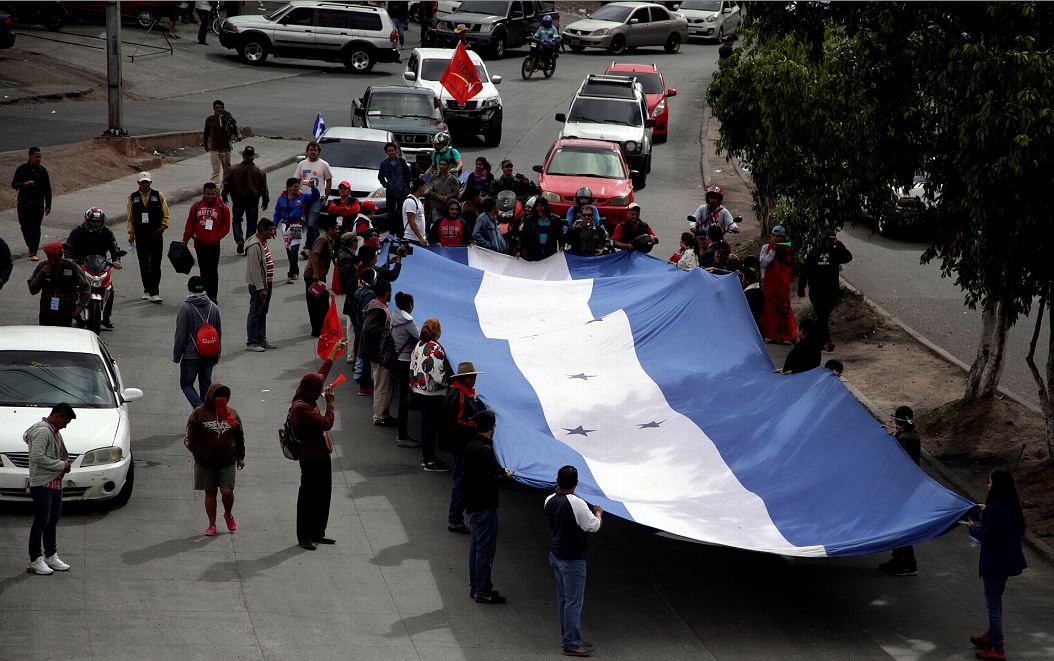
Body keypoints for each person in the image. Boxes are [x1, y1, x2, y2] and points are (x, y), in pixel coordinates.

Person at [965, 469, 1028, 661]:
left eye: (990, 482)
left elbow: (988, 536)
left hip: (994, 562)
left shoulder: (997, 508)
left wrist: (973, 528)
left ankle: (998, 647)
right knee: (996, 600)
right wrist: (987, 510)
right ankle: (991, 636)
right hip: (1006, 562)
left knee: (993, 605)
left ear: (997, 485)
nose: (988, 485)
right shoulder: (1009, 505)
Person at [292, 338, 346, 550]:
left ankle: (318, 532)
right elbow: (326, 423)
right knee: (308, 496)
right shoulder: (303, 409)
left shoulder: (302, 393)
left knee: (324, 494)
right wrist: (330, 404)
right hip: (311, 457)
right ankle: (304, 535)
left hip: (321, 455)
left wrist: (333, 353)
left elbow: (320, 375)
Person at [544, 465, 603, 657]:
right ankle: (571, 641)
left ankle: (569, 636)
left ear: (558, 481)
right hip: (572, 559)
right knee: (573, 602)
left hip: (556, 554)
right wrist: (598, 514)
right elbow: (592, 526)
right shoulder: (577, 504)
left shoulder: (549, 500)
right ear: (576, 484)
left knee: (564, 600)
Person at [463, 409, 513, 604]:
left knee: (476, 548)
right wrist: (505, 477)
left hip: (475, 505)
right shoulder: (484, 450)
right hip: (485, 506)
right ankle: (483, 590)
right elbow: (486, 478)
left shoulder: (473, 446)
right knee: (485, 550)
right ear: (492, 427)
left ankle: (476, 586)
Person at [185, 383, 245, 536]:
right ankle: (212, 524)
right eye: (218, 396)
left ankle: (228, 514)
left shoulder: (232, 413)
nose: (221, 399)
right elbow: (191, 439)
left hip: (227, 461)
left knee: (227, 491)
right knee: (210, 493)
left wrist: (240, 456)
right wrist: (200, 455)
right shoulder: (199, 414)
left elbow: (239, 436)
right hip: (205, 462)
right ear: (211, 397)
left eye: (224, 396)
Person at [24, 403, 75, 576]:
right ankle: (35, 559)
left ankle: (51, 555)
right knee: (41, 522)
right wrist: (61, 465)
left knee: (52, 521)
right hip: (42, 484)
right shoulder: (42, 431)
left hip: (54, 483)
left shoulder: (53, 431)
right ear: (58, 416)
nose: (66, 425)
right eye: (65, 421)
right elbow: (37, 457)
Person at [877, 406, 923, 576]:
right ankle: (899, 559)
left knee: (900, 526)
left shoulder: (906, 439)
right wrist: (894, 433)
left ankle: (908, 563)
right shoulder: (910, 435)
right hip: (906, 487)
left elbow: (897, 458)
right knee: (899, 525)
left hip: (903, 488)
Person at [62, 207, 123, 329]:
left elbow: (114, 247)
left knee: (110, 288)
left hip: (100, 264)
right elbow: (68, 246)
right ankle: (74, 314)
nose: (96, 224)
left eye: (98, 222)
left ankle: (106, 317)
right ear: (87, 221)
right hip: (80, 263)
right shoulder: (78, 231)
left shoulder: (107, 232)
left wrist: (116, 260)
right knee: (71, 287)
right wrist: (69, 259)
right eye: (94, 221)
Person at [444, 362, 484, 535]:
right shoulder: (460, 395)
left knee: (462, 482)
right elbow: (460, 421)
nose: (473, 379)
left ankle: (457, 517)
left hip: (462, 445)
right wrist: (479, 424)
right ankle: (455, 519)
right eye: (470, 376)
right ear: (462, 378)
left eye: (474, 376)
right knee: (461, 483)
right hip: (463, 446)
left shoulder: (461, 392)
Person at [798, 229, 853, 351]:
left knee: (823, 317)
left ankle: (815, 339)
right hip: (816, 291)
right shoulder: (814, 252)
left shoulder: (835, 253)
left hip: (831, 291)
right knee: (822, 316)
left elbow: (848, 257)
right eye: (828, 239)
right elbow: (805, 271)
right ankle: (827, 341)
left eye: (832, 239)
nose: (829, 242)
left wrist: (839, 244)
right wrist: (801, 287)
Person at [409, 317, 452, 472]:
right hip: (433, 394)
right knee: (431, 427)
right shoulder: (435, 349)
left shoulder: (418, 345)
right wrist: (449, 384)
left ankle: (427, 457)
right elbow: (439, 376)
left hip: (419, 390)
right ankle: (429, 460)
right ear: (437, 331)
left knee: (425, 425)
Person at [173, 276, 222, 408]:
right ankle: (206, 416)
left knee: (187, 384)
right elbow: (218, 333)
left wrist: (177, 355)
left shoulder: (186, 308)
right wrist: (217, 353)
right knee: (205, 385)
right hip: (210, 354)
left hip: (191, 355)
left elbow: (180, 334)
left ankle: (199, 409)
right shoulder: (213, 307)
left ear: (189, 288)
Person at [182, 182, 231, 302]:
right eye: (208, 194)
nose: (210, 196)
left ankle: (213, 295)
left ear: (216, 193)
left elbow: (226, 226)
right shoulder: (196, 206)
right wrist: (185, 240)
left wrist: (217, 237)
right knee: (203, 270)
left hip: (214, 245)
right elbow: (190, 224)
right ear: (204, 193)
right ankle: (203, 294)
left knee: (213, 271)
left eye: (213, 194)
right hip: (199, 244)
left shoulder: (223, 208)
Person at [127, 171, 170, 303]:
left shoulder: (159, 195)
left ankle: (155, 292)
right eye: (142, 182)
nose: (145, 184)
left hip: (156, 234)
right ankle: (147, 290)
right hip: (141, 235)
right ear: (138, 183)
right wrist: (131, 233)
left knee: (155, 264)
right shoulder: (132, 197)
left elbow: (166, 213)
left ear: (150, 183)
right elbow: (130, 217)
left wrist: (163, 226)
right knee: (144, 264)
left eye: (147, 182)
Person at [360, 279, 397, 426]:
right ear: (387, 292)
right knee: (382, 385)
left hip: (376, 353)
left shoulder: (375, 306)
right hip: (378, 354)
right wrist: (386, 333)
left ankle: (383, 414)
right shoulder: (378, 310)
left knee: (383, 384)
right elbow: (368, 329)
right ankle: (380, 416)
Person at [27, 242, 89, 327]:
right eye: (49, 257)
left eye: (55, 258)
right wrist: (42, 273)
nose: (52, 261)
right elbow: (32, 289)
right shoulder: (42, 266)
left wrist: (79, 307)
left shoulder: (72, 267)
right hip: (46, 311)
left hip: (66, 311)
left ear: (60, 255)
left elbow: (85, 288)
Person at [221, 145, 269, 255]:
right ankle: (248, 244)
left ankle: (239, 240)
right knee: (252, 223)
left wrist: (224, 195)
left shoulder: (233, 169)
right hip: (253, 200)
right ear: (253, 158)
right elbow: (263, 188)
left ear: (243, 156)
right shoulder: (259, 172)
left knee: (236, 221)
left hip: (238, 199)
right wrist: (265, 200)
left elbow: (227, 184)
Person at [274, 177, 320, 283]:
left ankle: (291, 273)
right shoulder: (281, 198)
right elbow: (277, 213)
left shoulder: (302, 197)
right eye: (294, 187)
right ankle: (295, 269)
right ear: (288, 187)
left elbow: (315, 197)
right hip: (285, 227)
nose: (297, 188)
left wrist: (313, 187)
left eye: (298, 186)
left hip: (296, 226)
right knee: (289, 251)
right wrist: (274, 226)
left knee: (294, 250)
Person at [389, 292, 420, 447]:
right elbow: (420, 337)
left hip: (396, 360)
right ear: (409, 306)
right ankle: (402, 436)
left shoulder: (394, 316)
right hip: (405, 362)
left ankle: (402, 434)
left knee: (402, 398)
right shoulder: (408, 321)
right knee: (404, 400)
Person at [10, 146, 52, 261]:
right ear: (30, 156)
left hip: (37, 204)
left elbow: (48, 189)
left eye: (40, 157)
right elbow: (14, 184)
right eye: (36, 156)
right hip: (24, 203)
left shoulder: (43, 171)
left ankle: (33, 251)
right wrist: (24, 184)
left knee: (36, 227)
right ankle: (30, 245)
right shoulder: (21, 169)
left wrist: (48, 205)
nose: (38, 159)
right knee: (24, 226)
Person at [293, 141, 334, 255]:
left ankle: (308, 247)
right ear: (307, 151)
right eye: (311, 150)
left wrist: (326, 195)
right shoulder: (302, 164)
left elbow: (329, 180)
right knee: (306, 222)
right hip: (303, 197)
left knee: (311, 223)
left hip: (318, 198)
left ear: (319, 152)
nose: (313, 152)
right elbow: (296, 179)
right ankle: (319, 240)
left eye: (315, 150)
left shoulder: (323, 164)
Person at [244, 219, 277, 352]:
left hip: (267, 284)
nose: (272, 232)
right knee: (255, 313)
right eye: (270, 230)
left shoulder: (263, 242)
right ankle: (252, 341)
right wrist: (261, 289)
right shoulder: (255, 246)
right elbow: (255, 269)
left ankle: (261, 338)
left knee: (263, 312)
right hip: (259, 286)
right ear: (263, 231)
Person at [304, 217, 340, 337]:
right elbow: (315, 255)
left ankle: (323, 327)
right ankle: (317, 329)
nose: (337, 231)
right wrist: (316, 273)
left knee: (323, 301)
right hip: (314, 277)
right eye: (336, 228)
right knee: (315, 304)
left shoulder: (330, 240)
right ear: (330, 229)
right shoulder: (323, 240)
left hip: (319, 277)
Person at [759, 234, 798, 343]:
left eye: (779, 237)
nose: (776, 239)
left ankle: (785, 336)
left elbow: (789, 267)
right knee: (770, 309)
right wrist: (772, 252)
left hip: (782, 285)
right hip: (770, 284)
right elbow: (763, 263)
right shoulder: (766, 247)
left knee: (783, 309)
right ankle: (773, 335)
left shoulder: (787, 250)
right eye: (774, 236)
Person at [379, 142, 412, 236]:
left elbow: (407, 175)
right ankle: (392, 233)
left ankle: (401, 232)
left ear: (396, 151)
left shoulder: (401, 162)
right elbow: (380, 176)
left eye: (393, 150)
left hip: (402, 192)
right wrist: (385, 185)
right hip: (390, 193)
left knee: (402, 213)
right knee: (391, 214)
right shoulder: (384, 164)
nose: (391, 152)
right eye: (389, 151)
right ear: (386, 152)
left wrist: (407, 187)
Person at [203, 100, 237, 184]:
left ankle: (226, 185)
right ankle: (216, 186)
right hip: (215, 148)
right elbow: (206, 133)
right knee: (215, 170)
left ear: (223, 108)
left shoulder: (228, 118)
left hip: (226, 148)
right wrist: (205, 144)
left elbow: (234, 128)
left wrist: (237, 136)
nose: (219, 109)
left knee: (227, 169)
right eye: (217, 107)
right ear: (214, 108)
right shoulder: (210, 119)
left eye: (221, 107)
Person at [427, 157, 462, 224]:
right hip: (436, 206)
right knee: (437, 225)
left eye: (444, 164)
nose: (442, 166)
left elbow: (456, 193)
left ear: (448, 166)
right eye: (440, 164)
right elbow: (428, 191)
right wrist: (437, 196)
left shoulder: (453, 179)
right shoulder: (433, 177)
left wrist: (447, 197)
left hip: (449, 208)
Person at [402, 177, 428, 245]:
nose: (424, 190)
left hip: (418, 239)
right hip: (412, 239)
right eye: (424, 187)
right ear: (420, 188)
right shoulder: (410, 201)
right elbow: (411, 221)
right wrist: (420, 238)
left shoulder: (418, 201)